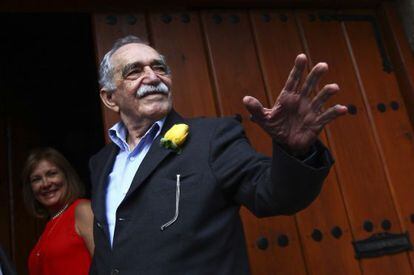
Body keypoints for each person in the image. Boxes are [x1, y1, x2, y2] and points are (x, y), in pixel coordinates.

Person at [89, 35, 347, 274]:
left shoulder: (212, 137)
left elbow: (273, 194)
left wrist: (295, 149)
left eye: (159, 68)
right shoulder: (100, 163)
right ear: (110, 98)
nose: (153, 77)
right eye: (134, 71)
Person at [22, 147, 94, 275]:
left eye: (52, 174)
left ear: (66, 176)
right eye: (36, 179)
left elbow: (108, 265)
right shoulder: (47, 228)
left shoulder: (82, 210)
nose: (45, 184)